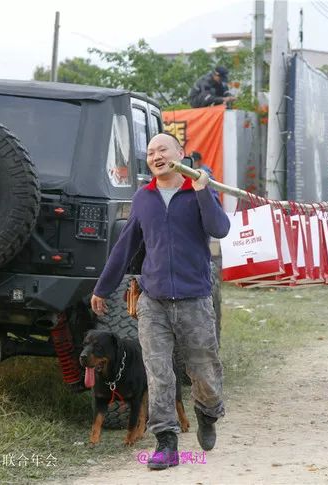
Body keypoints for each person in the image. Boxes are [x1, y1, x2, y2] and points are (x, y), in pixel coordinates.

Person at [90, 132, 230, 469]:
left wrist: (202, 193)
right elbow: (125, 246)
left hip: (194, 299)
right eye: (150, 152)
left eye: (163, 149)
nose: (156, 156)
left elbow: (220, 228)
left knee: (203, 370)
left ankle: (207, 412)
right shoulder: (144, 198)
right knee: (158, 372)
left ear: (179, 154)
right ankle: (166, 441)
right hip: (153, 301)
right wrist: (102, 287)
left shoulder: (197, 190)